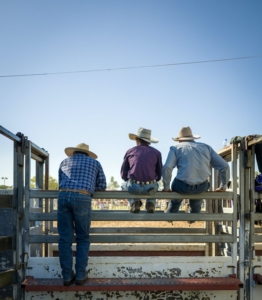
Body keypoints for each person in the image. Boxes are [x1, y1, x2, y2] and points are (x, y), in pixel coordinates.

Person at [58, 143, 106, 286]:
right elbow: (102, 185)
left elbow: (61, 182)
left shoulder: (64, 162)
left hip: (63, 196)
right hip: (83, 197)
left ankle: (67, 276)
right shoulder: (95, 163)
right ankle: (80, 275)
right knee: (83, 237)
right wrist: (89, 186)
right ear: (87, 154)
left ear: (74, 152)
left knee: (65, 238)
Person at [162, 126, 229, 216]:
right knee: (197, 199)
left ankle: (170, 215)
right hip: (202, 186)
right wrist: (223, 187)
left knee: (175, 199)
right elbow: (225, 166)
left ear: (180, 140)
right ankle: (192, 217)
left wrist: (166, 187)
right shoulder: (206, 147)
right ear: (192, 138)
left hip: (182, 186)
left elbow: (167, 167)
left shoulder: (176, 148)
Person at [121, 127, 163, 213]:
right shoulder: (157, 153)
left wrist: (131, 180)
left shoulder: (130, 151)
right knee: (156, 184)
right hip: (150, 187)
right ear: (149, 141)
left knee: (123, 185)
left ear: (137, 139)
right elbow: (159, 174)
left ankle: (134, 202)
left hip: (134, 186)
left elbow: (123, 174)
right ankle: (150, 203)